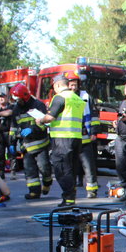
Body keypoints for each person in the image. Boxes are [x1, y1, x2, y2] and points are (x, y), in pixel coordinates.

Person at [40, 73, 85, 206]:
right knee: (71, 168)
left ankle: (69, 198)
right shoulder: (77, 99)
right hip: (76, 138)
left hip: (62, 138)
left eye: (54, 86)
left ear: (58, 85)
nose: (53, 89)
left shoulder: (60, 97)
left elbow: (50, 117)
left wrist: (40, 120)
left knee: (61, 169)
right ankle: (70, 197)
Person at [9, 83, 52, 199]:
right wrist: (11, 143)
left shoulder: (38, 105)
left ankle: (47, 182)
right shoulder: (16, 109)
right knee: (29, 170)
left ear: (25, 96)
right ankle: (34, 191)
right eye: (16, 100)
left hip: (41, 144)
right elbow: (13, 127)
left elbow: (45, 124)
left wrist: (32, 129)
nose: (18, 102)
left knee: (44, 168)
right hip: (26, 145)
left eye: (19, 100)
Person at [68, 72, 100, 198]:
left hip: (85, 136)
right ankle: (71, 190)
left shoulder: (86, 97)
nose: (72, 87)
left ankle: (92, 190)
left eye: (74, 85)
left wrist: (93, 132)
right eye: (70, 85)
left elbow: (94, 115)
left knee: (89, 165)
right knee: (71, 165)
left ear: (78, 85)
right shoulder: (64, 97)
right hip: (70, 137)